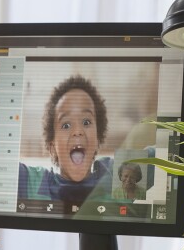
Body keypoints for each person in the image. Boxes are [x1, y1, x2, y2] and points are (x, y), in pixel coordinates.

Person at [18, 75, 113, 204]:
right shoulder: (32, 182)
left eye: (86, 122)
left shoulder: (113, 175)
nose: (78, 131)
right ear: (52, 147)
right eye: (66, 125)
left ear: (97, 139)